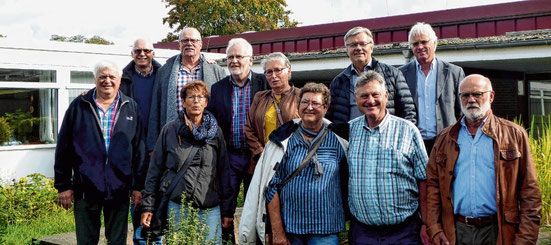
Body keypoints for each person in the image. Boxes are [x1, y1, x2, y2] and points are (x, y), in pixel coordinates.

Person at [426, 74, 542, 245]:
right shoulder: (445, 138)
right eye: (465, 95)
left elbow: (530, 192)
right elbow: (433, 186)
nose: (471, 99)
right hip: (457, 231)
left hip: (498, 230)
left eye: (477, 94)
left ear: (491, 96)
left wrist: (525, 239)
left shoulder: (514, 135)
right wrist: (435, 229)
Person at [239, 83, 349, 245]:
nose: (309, 107)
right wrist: (277, 232)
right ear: (298, 106)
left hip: (326, 230)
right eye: (305, 102)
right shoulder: (283, 139)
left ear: (326, 107)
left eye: (315, 103)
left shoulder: (340, 140)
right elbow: (271, 187)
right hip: (291, 231)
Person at [54, 60, 146, 245]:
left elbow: (139, 150)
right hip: (86, 188)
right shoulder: (78, 106)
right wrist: (63, 185)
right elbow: (64, 148)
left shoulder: (131, 107)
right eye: (102, 76)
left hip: (119, 188)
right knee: (86, 242)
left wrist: (138, 187)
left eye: (112, 77)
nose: (107, 81)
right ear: (95, 79)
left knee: (117, 241)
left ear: (119, 80)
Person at [141, 81, 234, 244]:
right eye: (191, 97)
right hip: (177, 206)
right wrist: (148, 206)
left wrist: (227, 210)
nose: (196, 101)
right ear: (183, 102)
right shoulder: (170, 130)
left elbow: (224, 172)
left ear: (206, 102)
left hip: (209, 207)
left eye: (200, 97)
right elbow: (154, 170)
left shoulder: (216, 133)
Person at [347, 70, 428, 244]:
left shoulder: (407, 130)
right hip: (363, 232)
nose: (370, 101)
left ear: (385, 95)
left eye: (375, 94)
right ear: (356, 99)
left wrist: (426, 222)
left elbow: (425, 179)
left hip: (404, 231)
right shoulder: (348, 131)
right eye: (364, 96)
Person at [206, 38, 269, 244]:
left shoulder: (264, 83)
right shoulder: (218, 88)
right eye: (230, 57)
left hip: (258, 157)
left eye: (238, 56)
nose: (234, 61)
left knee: (259, 207)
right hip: (230, 156)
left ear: (250, 60)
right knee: (226, 206)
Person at [147, 27, 226, 153]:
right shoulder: (164, 72)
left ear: (201, 44)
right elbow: (155, 108)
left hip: (207, 139)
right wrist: (152, 145)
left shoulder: (216, 71)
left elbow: (224, 109)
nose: (189, 43)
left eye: (193, 40)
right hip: (175, 139)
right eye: (185, 40)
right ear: (179, 45)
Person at [120, 38, 163, 244]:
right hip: (133, 146)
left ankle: (157, 239)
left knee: (158, 195)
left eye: (147, 50)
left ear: (153, 53)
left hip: (159, 145)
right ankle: (139, 239)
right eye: (138, 50)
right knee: (137, 196)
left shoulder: (164, 74)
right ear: (132, 54)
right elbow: (105, 90)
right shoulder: (123, 77)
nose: (142, 54)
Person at [326, 26, 416, 125]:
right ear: (347, 50)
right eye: (353, 45)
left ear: (372, 47)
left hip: (386, 137)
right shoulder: (338, 82)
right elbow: (330, 117)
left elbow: (408, 112)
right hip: (350, 138)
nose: (358, 48)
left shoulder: (392, 75)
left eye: (362, 44)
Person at [399, 22, 465, 154]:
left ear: (434, 43)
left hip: (446, 142)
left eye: (424, 42)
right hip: (414, 144)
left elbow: (462, 112)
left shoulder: (454, 73)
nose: (420, 47)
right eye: (415, 44)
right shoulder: (401, 74)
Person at [244, 52, 300, 177]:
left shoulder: (301, 96)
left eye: (278, 70)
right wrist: (261, 152)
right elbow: (249, 128)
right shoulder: (260, 97)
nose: (273, 76)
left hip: (292, 162)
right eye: (269, 72)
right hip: (263, 161)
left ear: (288, 70)